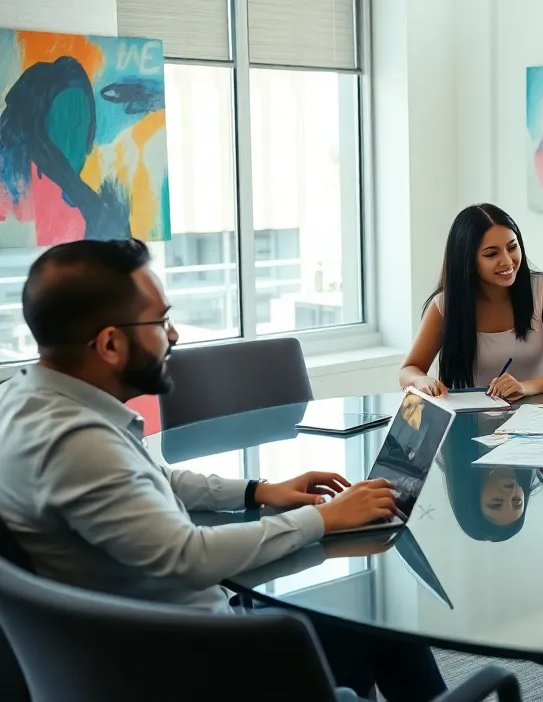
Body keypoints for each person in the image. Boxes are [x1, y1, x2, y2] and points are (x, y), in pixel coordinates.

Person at [0, 239, 446, 701]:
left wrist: (260, 491)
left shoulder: (30, 398)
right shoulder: (76, 444)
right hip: (192, 667)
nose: (172, 335)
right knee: (373, 623)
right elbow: (189, 557)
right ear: (111, 343)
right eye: (161, 321)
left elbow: (152, 477)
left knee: (370, 620)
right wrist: (322, 518)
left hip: (150, 646)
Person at [401, 203, 543, 401]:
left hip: (538, 418)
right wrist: (421, 381)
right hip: (473, 422)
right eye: (491, 254)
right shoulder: (445, 305)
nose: (507, 261)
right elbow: (409, 370)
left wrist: (524, 387)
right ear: (468, 261)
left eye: (512, 247)